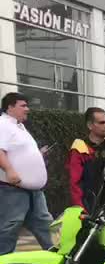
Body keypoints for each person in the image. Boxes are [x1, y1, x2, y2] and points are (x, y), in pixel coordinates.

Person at [0, 92, 53, 255]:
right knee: (11, 223)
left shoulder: (19, 126)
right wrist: (9, 170)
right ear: (10, 107)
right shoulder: (3, 124)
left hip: (32, 189)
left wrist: (38, 155)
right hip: (12, 187)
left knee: (44, 222)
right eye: (23, 105)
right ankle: (3, 260)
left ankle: (55, 253)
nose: (27, 109)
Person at [67, 107, 105, 213]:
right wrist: (80, 208)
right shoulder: (80, 148)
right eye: (102, 122)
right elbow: (74, 183)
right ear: (90, 125)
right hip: (90, 206)